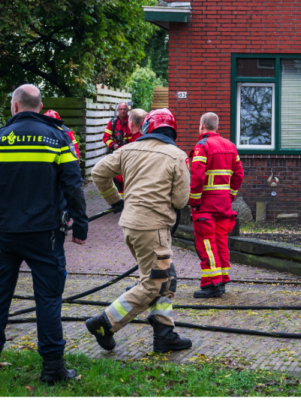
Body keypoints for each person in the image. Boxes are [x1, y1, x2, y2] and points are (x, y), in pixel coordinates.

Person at [0, 84, 88, 384]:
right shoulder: (58, 139)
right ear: (40, 106)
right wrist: (81, 223)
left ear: (14, 106)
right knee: (48, 300)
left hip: (4, 234)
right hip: (45, 235)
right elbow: (73, 185)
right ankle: (52, 369)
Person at [86, 108, 192, 353]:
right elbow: (180, 201)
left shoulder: (128, 149)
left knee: (166, 278)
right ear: (172, 130)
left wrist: (115, 201)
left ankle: (164, 335)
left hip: (131, 226)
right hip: (153, 228)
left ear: (146, 128)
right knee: (153, 284)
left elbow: (98, 173)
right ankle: (104, 323)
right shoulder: (177, 156)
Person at [189, 112, 244, 299]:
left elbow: (197, 176)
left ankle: (212, 284)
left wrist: (194, 201)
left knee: (206, 243)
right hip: (224, 205)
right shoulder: (230, 146)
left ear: (201, 126)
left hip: (205, 206)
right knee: (221, 242)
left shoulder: (202, 146)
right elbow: (239, 174)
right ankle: (222, 279)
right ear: (217, 127)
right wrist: (231, 194)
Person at [103, 102, 139, 192]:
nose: (122, 111)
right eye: (121, 109)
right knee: (117, 177)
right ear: (117, 110)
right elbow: (106, 138)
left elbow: (137, 136)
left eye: (124, 109)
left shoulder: (132, 122)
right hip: (117, 153)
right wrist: (113, 145)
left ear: (127, 110)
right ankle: (119, 197)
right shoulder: (113, 122)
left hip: (131, 153)